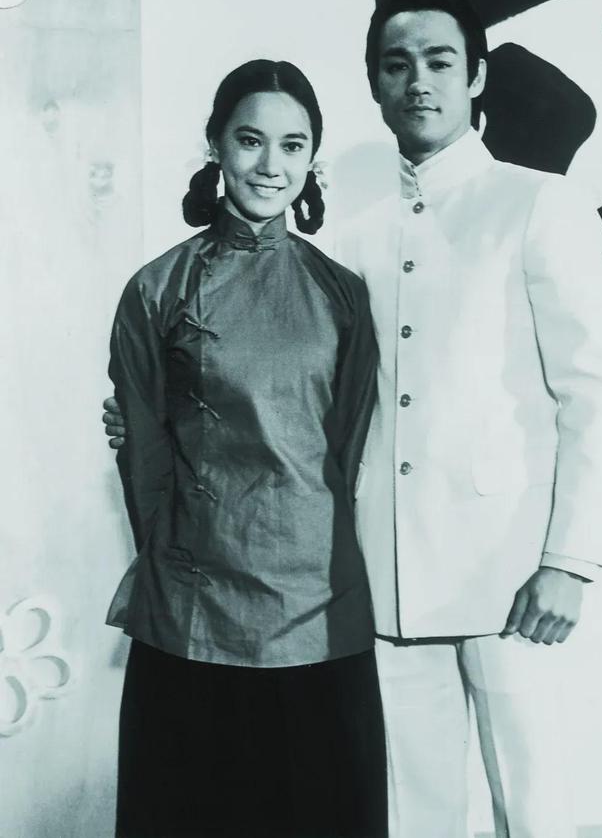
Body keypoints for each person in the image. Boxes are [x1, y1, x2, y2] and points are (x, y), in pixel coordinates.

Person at [105, 0, 602, 838]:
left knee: (535, 809)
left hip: (509, 576)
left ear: (477, 76)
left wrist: (570, 561)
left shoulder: (537, 204)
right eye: (396, 65)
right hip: (380, 587)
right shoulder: (350, 240)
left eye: (439, 62)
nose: (418, 82)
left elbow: (595, 391)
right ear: (375, 85)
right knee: (410, 816)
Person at [104, 58, 387, 838]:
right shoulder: (158, 289)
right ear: (216, 145)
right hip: (194, 612)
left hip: (323, 610)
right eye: (251, 140)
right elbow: (144, 461)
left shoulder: (344, 293)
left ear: (313, 158)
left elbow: (352, 451)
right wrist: (178, 571)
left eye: (293, 146)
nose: (271, 165)